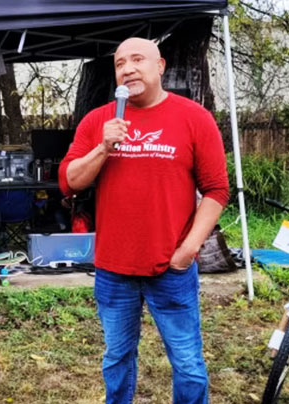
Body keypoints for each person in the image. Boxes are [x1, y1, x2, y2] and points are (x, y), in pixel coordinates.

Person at [59, 38, 229, 404]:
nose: (128, 68)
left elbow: (216, 190)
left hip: (172, 268)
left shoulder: (194, 118)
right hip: (114, 269)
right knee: (117, 358)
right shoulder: (99, 121)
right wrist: (103, 148)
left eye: (138, 59)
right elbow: (71, 180)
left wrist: (188, 249)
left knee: (187, 362)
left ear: (161, 66)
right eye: (120, 63)